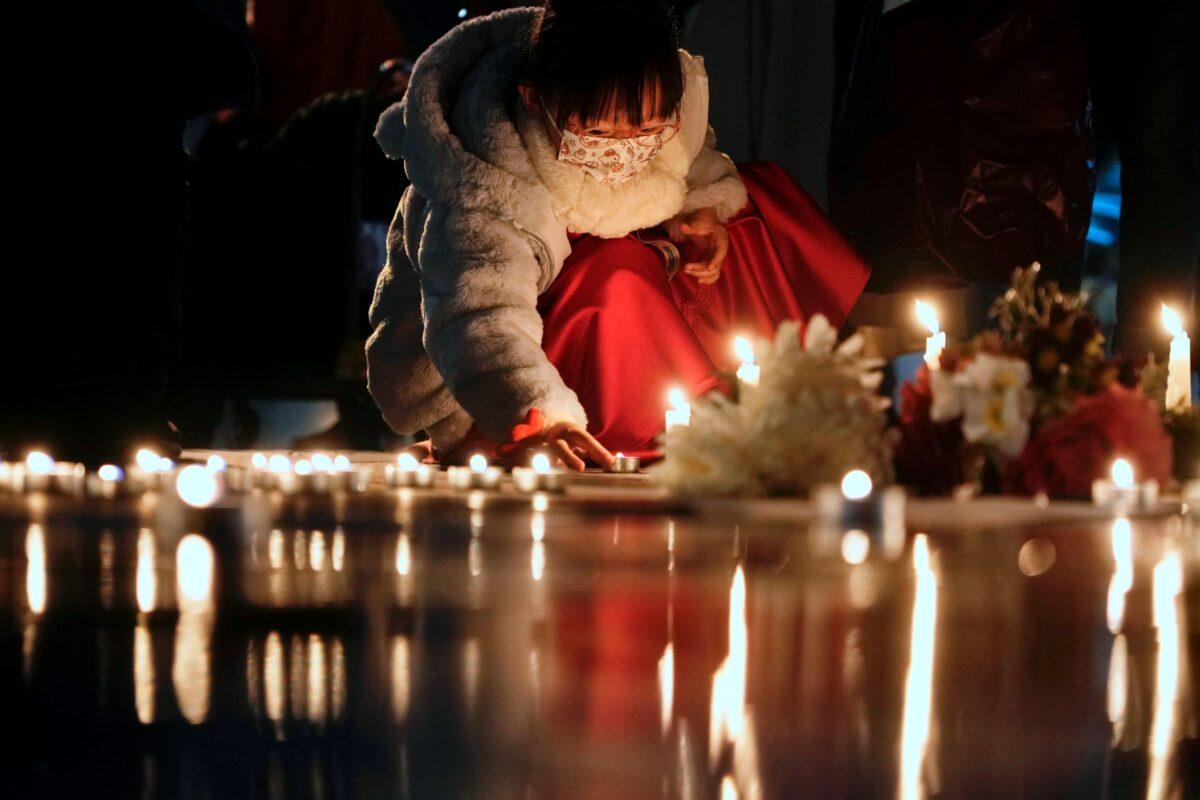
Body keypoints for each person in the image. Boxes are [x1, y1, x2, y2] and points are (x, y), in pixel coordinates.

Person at [367, 0, 870, 470]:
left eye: (649, 129)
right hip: (477, 371)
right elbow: (482, 318)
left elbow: (689, 153)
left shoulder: (663, 116)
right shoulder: (485, 185)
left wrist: (700, 210)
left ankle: (772, 390)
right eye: (602, 135)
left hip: (593, 291)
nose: (626, 150)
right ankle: (641, 424)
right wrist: (536, 415)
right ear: (535, 100)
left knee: (758, 207)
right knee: (616, 272)